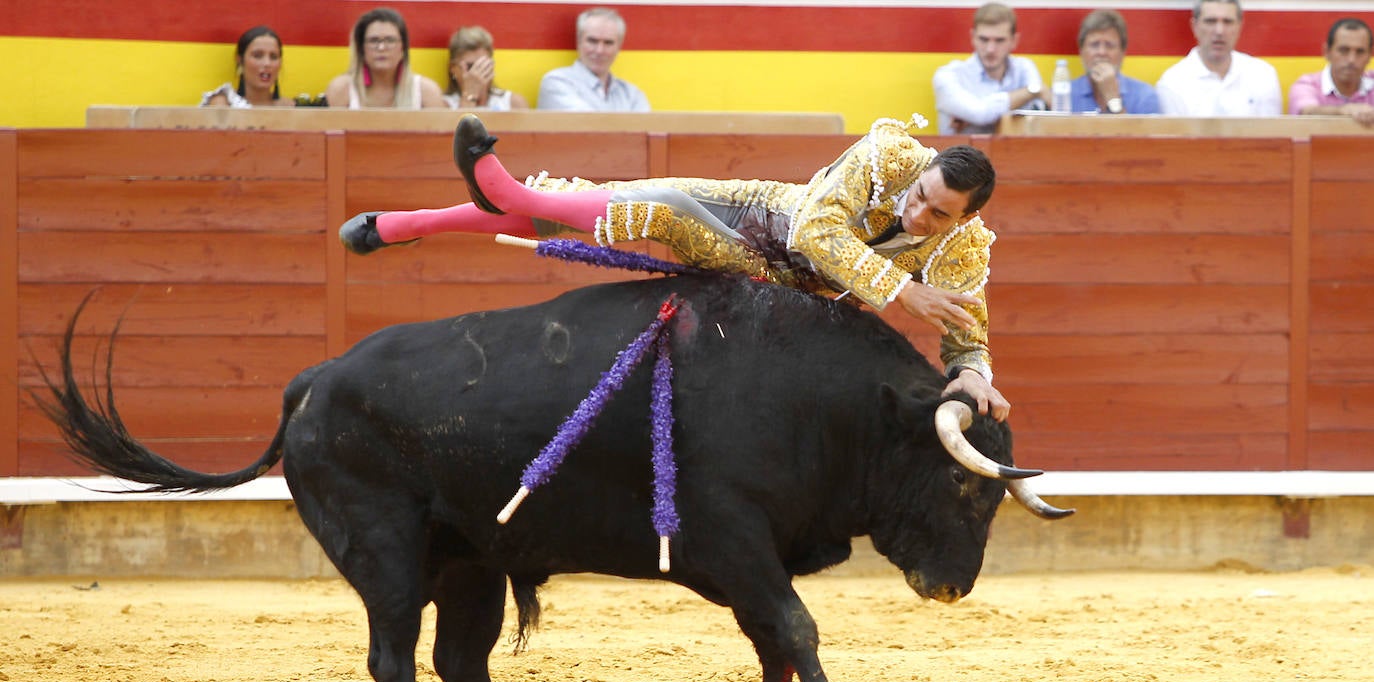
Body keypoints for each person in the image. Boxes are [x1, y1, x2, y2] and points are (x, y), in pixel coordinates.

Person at [338, 114, 1011, 420]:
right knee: (602, 201)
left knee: (657, 207)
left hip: (772, 279)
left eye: (939, 215)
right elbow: (814, 227)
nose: (921, 215)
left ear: (966, 217)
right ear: (920, 171)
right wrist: (899, 291)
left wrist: (974, 375)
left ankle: (503, 196)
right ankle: (406, 227)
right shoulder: (887, 156)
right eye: (920, 198)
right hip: (765, 213)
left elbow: (966, 337)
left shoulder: (965, 249)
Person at [932, 3, 1045, 135]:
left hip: (1016, 153)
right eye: (984, 39)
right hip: (965, 155)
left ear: (1014, 41)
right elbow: (980, 114)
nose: (990, 49)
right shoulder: (948, 75)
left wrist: (981, 116)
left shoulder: (1024, 68)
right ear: (973, 37)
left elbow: (1038, 114)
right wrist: (1031, 91)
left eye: (999, 40)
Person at [1155, 0, 1281, 116]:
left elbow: (1272, 136)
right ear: (1195, 26)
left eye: (1228, 22)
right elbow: (1176, 140)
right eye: (1210, 21)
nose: (1219, 31)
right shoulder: (1172, 83)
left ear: (1239, 26)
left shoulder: (1263, 75)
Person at [324, 7, 447, 109]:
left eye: (390, 40)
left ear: (403, 48)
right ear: (361, 49)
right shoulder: (341, 89)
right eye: (374, 40)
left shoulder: (426, 92)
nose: (382, 47)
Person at [537, 7, 650, 112]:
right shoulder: (556, 82)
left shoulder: (632, 94)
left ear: (619, 46)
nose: (599, 50)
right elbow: (588, 127)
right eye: (592, 41)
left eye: (608, 43)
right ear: (579, 42)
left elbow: (647, 130)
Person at [1069, 9, 1160, 114]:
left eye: (1109, 45)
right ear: (1081, 50)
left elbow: (1138, 131)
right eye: (1094, 45)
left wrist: (1113, 99)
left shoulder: (1144, 96)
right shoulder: (1064, 94)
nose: (1102, 52)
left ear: (1122, 52)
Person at [201, 26, 315, 108]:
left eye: (273, 57)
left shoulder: (290, 108)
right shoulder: (223, 103)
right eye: (257, 56)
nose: (267, 63)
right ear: (240, 60)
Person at [1288, 18, 1374, 127]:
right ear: (1327, 52)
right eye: (1344, 50)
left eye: (1360, 52)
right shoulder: (1307, 85)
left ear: (1370, 55)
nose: (1351, 59)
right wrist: (1342, 111)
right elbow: (1306, 112)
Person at [444, 26, 530, 110]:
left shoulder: (513, 104)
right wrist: (469, 95)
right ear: (453, 69)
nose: (477, 73)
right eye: (470, 66)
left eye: (483, 65)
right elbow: (461, 124)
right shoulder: (444, 106)